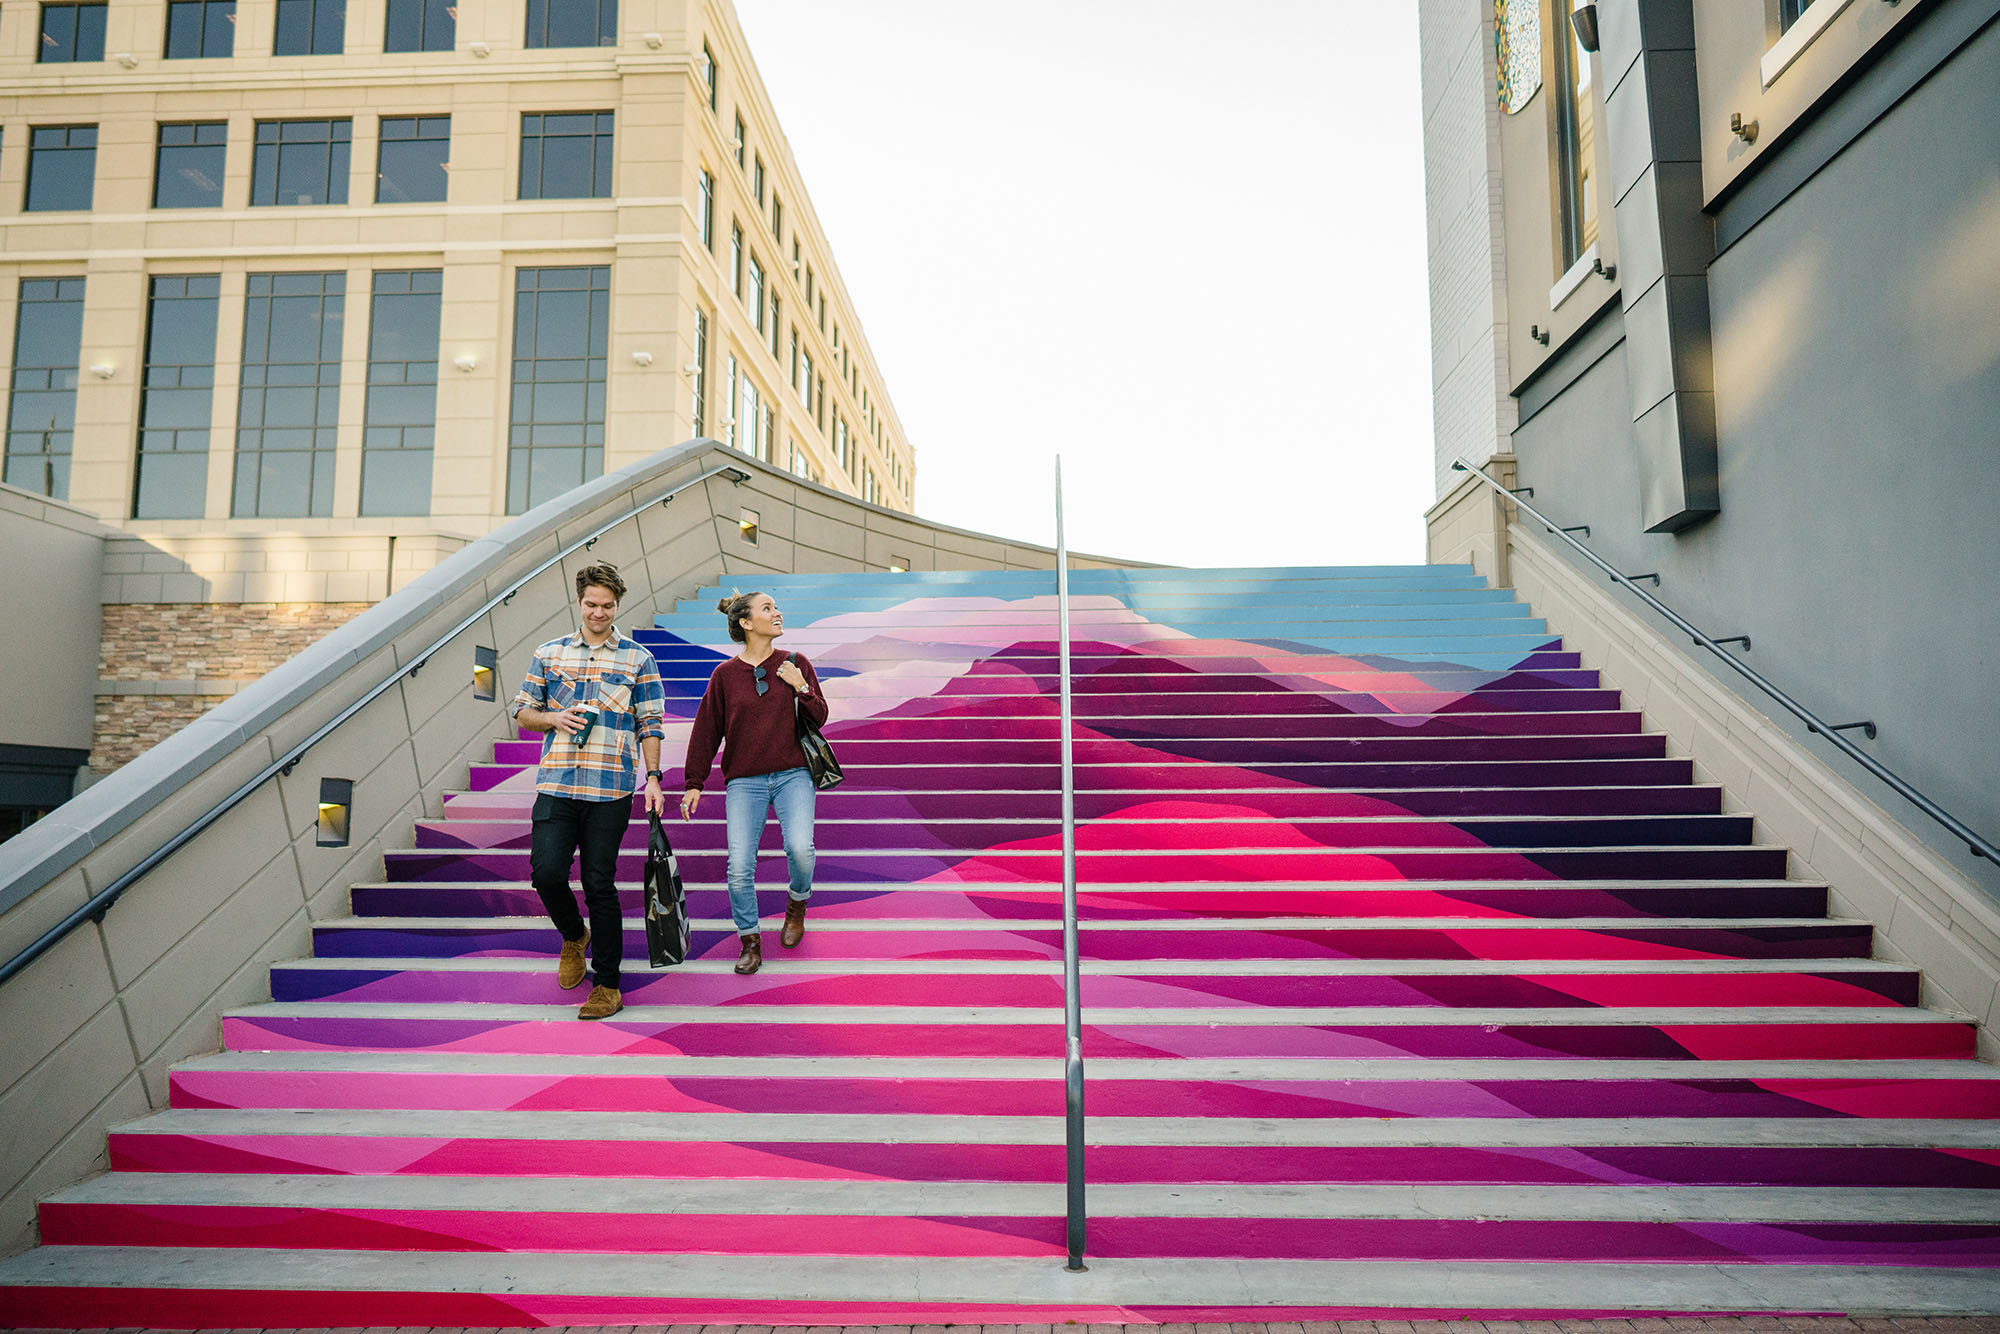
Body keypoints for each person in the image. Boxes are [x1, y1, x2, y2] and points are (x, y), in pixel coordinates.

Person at [510, 563, 666, 1019]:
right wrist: (552, 718)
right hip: (557, 783)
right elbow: (523, 710)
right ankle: (575, 935)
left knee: (599, 883)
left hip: (610, 788)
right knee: (547, 874)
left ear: (618, 605)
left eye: (607, 606)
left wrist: (653, 777)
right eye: (591, 604)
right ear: (579, 602)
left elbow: (650, 722)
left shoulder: (638, 659)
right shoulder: (549, 653)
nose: (599, 613)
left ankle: (607, 985)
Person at [680, 589, 827, 975]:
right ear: (746, 623)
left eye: (776, 607)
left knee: (800, 849)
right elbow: (706, 730)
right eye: (767, 608)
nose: (777, 613)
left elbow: (820, 717)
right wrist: (694, 781)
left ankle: (797, 903)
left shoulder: (796, 662)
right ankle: (750, 939)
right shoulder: (725, 676)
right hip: (744, 781)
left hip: (793, 773)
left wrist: (801, 686)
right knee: (740, 866)